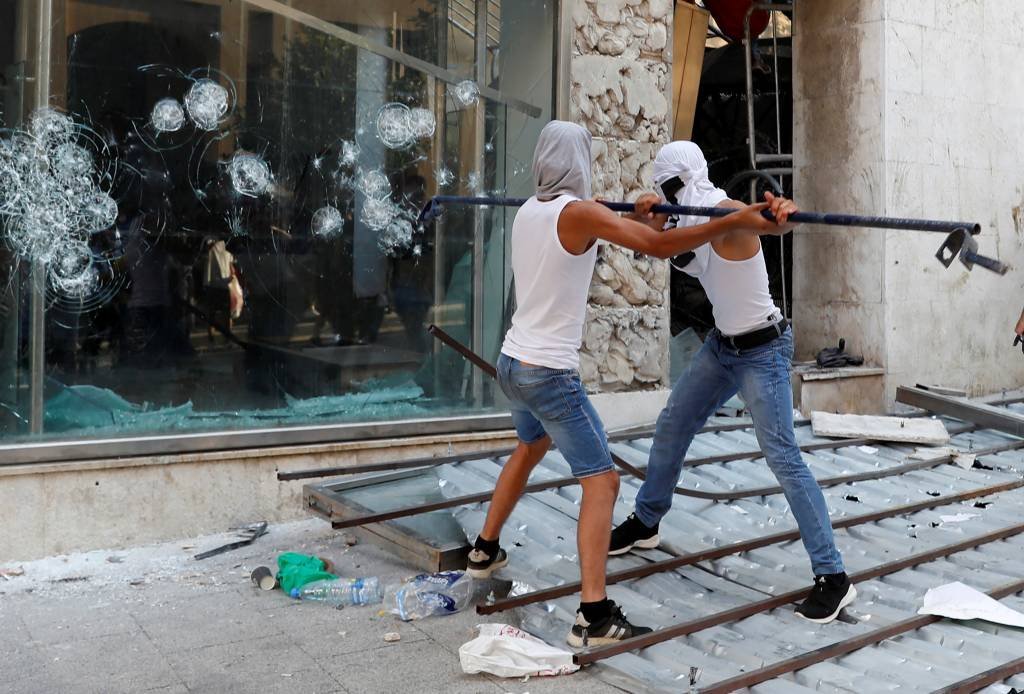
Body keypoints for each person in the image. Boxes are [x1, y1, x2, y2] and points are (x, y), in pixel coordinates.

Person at [464, 122, 789, 647]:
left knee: (529, 445)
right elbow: (660, 249)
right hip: (548, 374)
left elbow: (626, 227)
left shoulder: (531, 210)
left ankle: (483, 549)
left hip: (512, 363)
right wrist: (732, 218)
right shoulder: (582, 213)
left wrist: (642, 210)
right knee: (603, 482)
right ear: (580, 162)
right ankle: (593, 616)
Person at [608, 140, 855, 624]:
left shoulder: (722, 210)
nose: (669, 194)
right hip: (722, 348)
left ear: (688, 178)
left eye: (671, 185)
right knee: (673, 423)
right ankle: (647, 520)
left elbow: (764, 222)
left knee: (783, 456)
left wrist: (782, 210)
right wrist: (643, 214)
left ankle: (834, 577)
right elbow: (653, 238)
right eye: (663, 188)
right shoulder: (681, 218)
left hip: (763, 350)